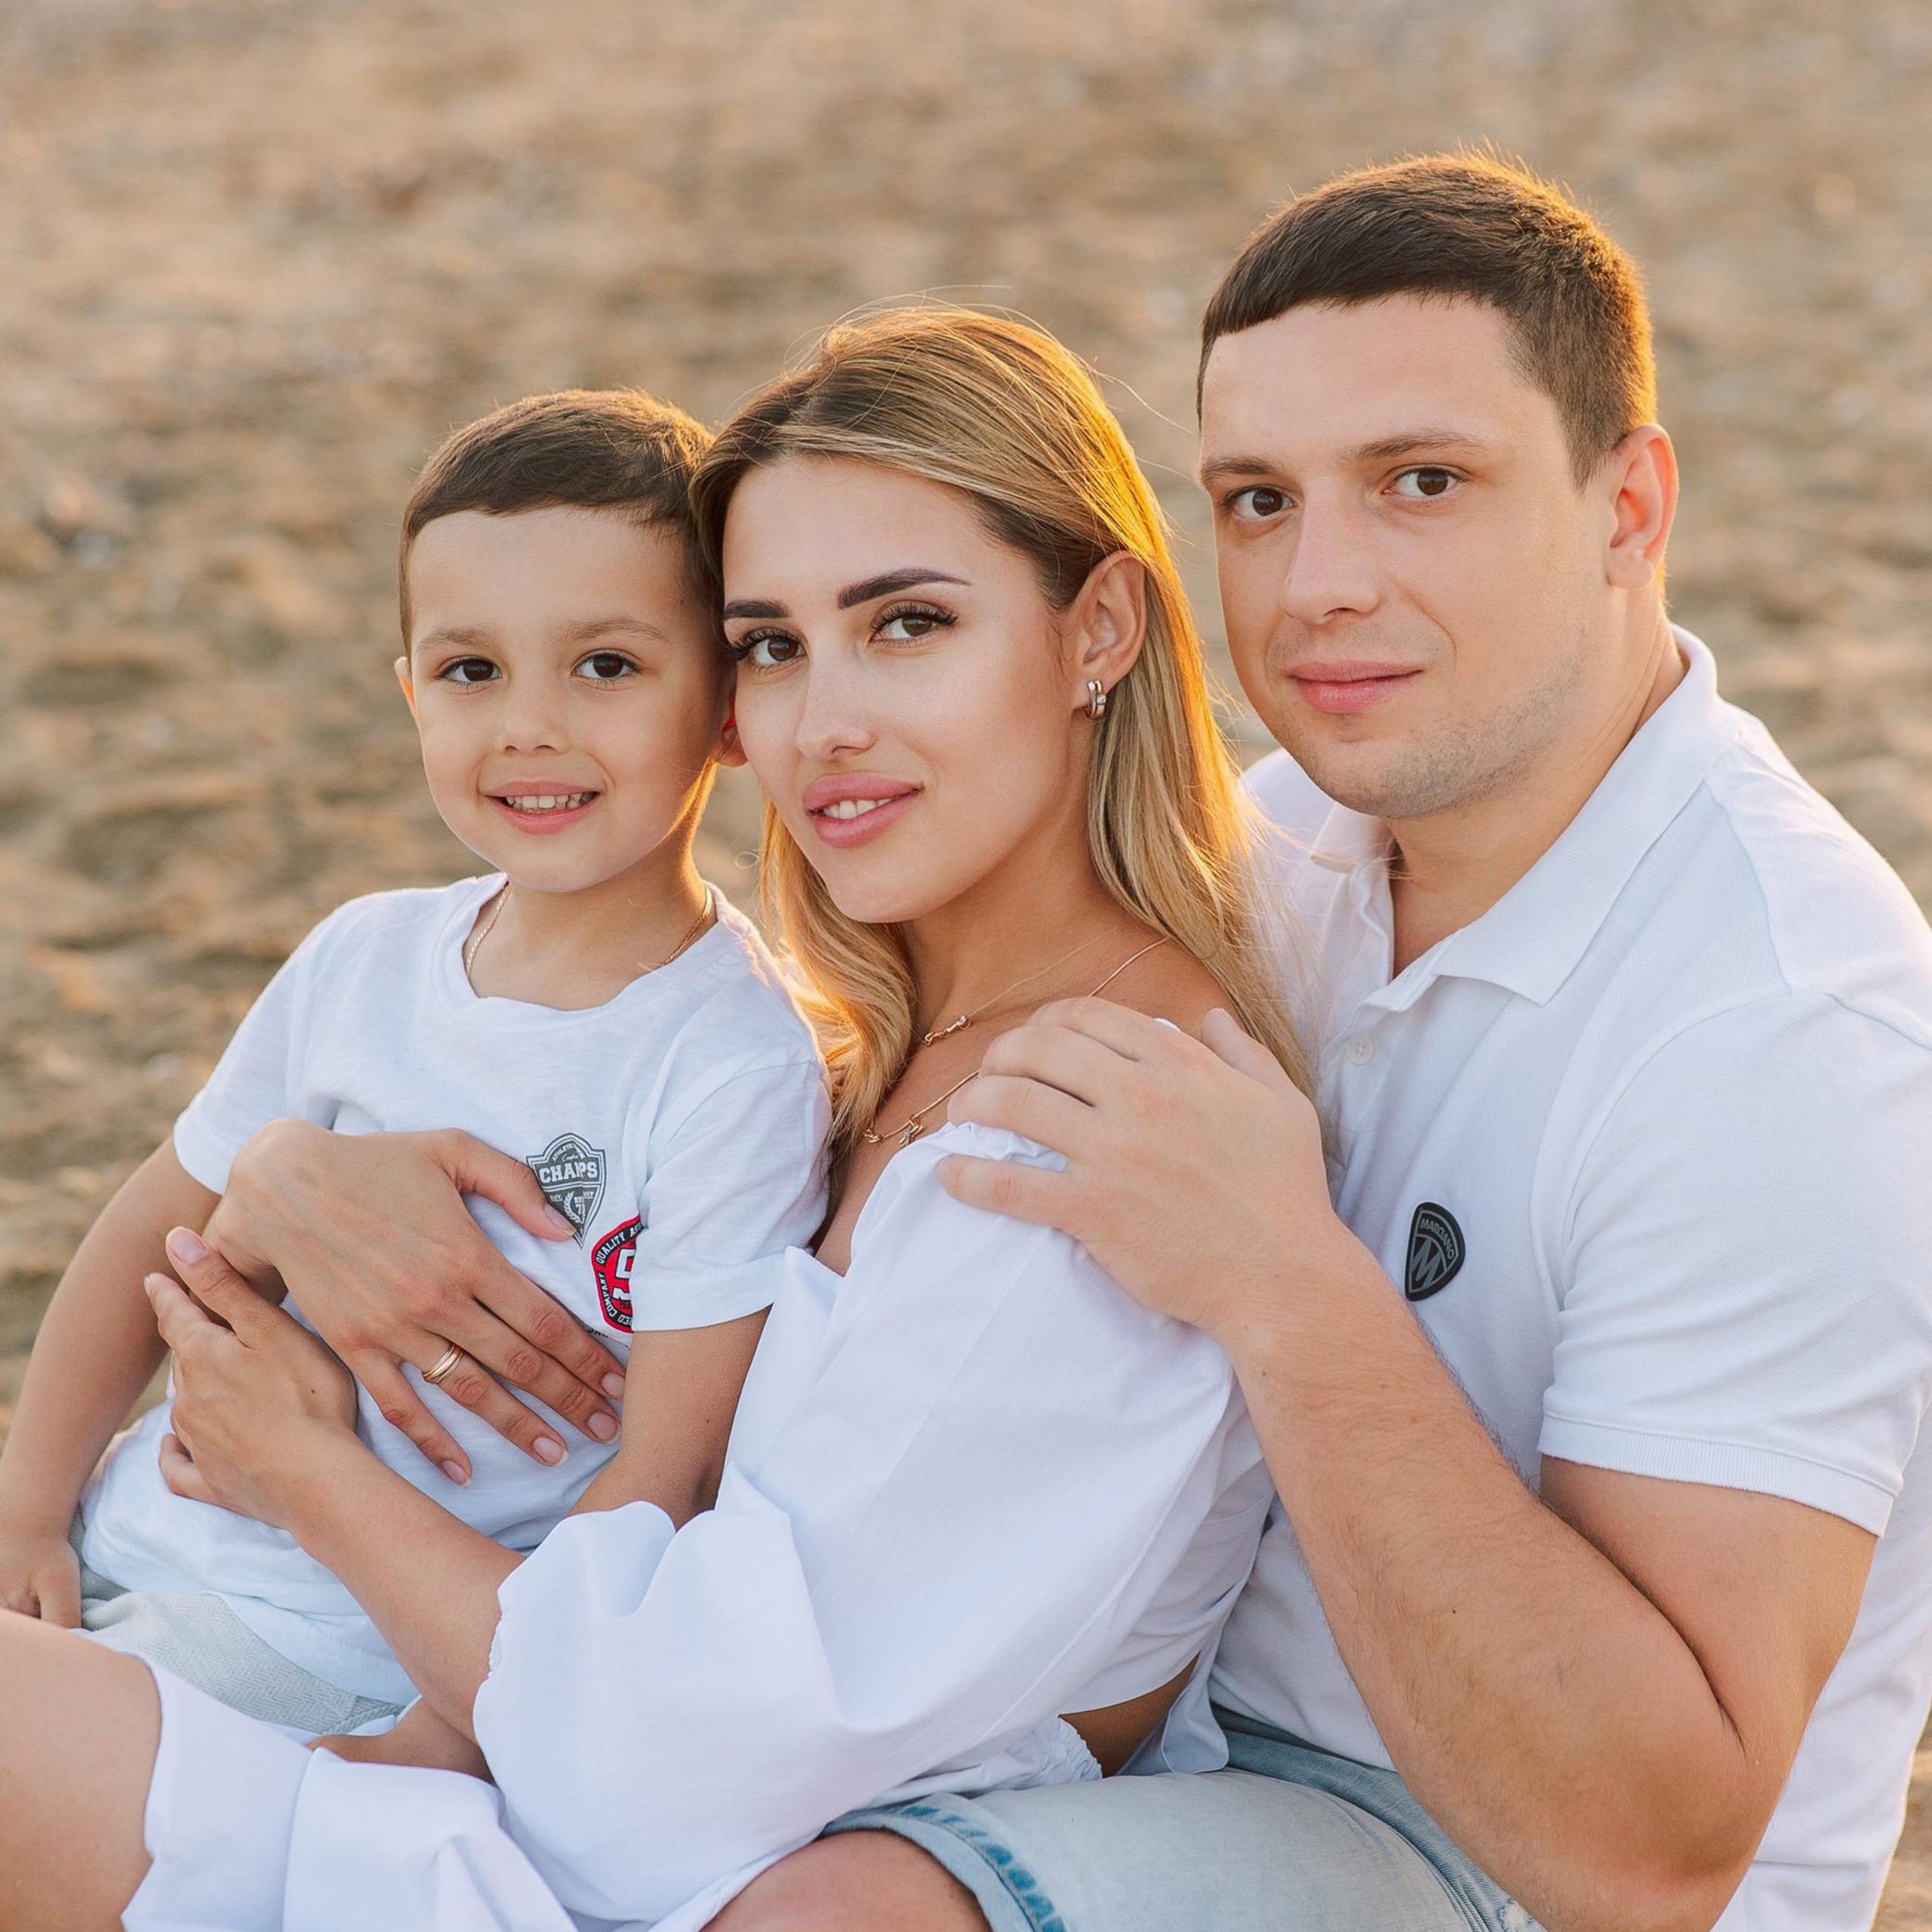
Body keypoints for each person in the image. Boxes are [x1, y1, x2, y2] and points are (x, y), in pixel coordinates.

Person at [729, 156, 1932, 1932]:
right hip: (1147, 1737)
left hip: (1482, 1849)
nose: (1315, 587)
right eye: (1257, 500)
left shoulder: (1780, 1033)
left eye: (1418, 484)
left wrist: (1286, 1286)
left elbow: (1646, 1847)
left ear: (1629, 503)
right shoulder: (1279, 853)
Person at [0, 308, 1300, 1930]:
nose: (818, 723)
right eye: (772, 642)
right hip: (359, 1661)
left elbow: (681, 1731)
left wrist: (303, 1464)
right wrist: (286, 1173)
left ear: (1096, 628)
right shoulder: (884, 1036)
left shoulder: (1078, 1141)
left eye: (905, 624)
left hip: (488, 1812)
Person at [0, 388, 832, 1740]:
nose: (529, 727)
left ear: (729, 704)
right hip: (130, 1536)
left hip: (339, 1644)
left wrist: (441, 1742)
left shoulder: (734, 1064)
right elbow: (155, 1224)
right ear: (408, 693)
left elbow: (667, 1481)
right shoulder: (360, 957)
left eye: (607, 666)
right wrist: (30, 1505)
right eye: (470, 671)